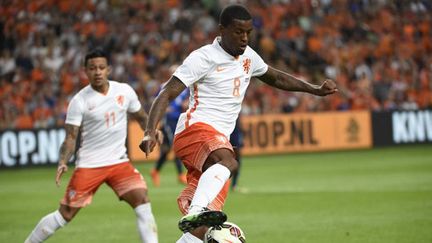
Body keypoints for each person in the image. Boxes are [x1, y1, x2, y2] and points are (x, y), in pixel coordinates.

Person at [140, 4, 337, 242]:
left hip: (216, 140)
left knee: (201, 232)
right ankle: (196, 209)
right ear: (221, 30)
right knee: (228, 161)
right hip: (195, 129)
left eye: (248, 33)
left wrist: (314, 89)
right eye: (238, 32)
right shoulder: (203, 57)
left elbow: (275, 77)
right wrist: (150, 131)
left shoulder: (248, 57)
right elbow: (167, 93)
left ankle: (197, 213)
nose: (244, 38)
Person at [25, 49, 160, 243]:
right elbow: (71, 137)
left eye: (101, 67)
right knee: (65, 214)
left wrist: (151, 131)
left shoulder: (124, 91)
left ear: (109, 70)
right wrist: (63, 161)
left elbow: (141, 117)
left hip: (118, 163)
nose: (97, 72)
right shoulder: (79, 101)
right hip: (90, 165)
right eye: (92, 68)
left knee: (142, 201)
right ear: (85, 71)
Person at [150, 87, 188, 187]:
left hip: (180, 120)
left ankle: (155, 171)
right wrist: (164, 108)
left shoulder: (186, 88)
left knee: (166, 150)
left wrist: (186, 104)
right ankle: (180, 174)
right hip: (169, 121)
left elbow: (188, 100)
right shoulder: (165, 85)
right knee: (177, 147)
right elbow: (156, 100)